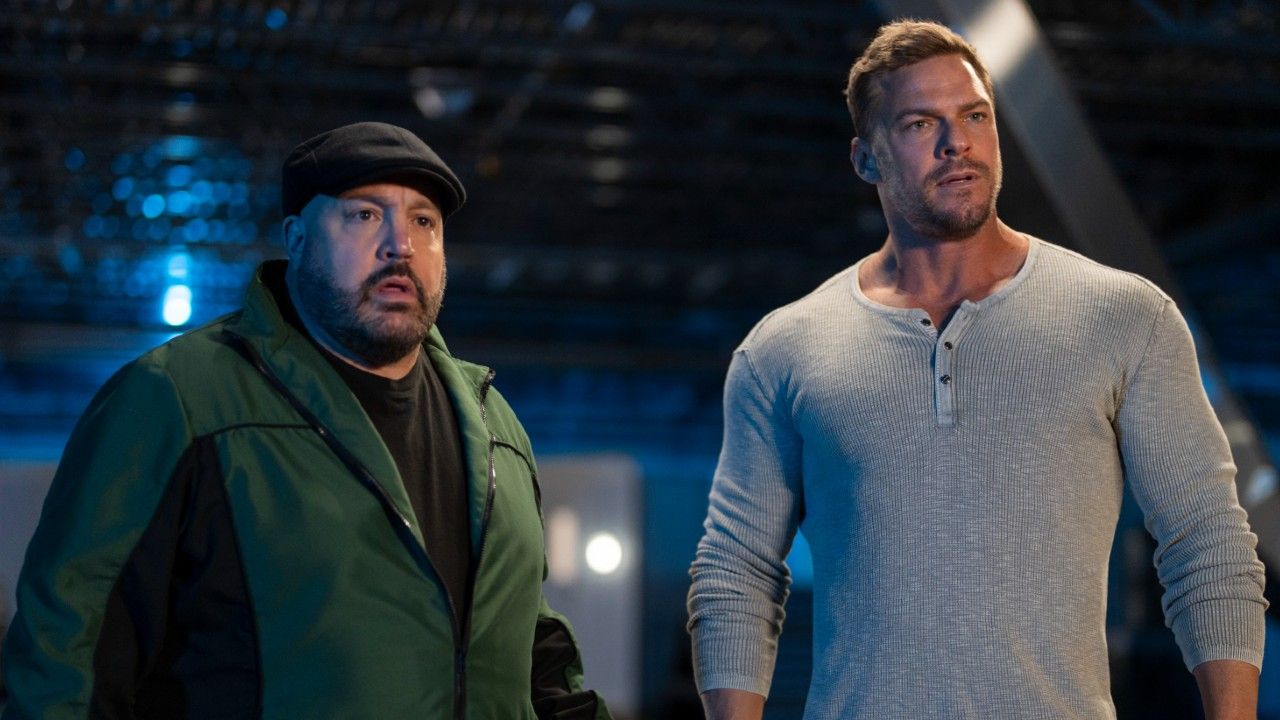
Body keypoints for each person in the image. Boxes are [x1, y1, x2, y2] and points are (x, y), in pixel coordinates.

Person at [687, 19, 1267, 720]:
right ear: (866, 159)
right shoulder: (783, 349)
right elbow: (737, 574)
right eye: (919, 123)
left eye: (974, 116)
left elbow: (1206, 542)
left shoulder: (1125, 318)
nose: (955, 142)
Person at [1, 121, 611, 720]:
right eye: (364, 214)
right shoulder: (175, 401)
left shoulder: (495, 426)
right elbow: (69, 659)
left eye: (424, 221)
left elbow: (536, 657)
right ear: (296, 239)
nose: (400, 245)